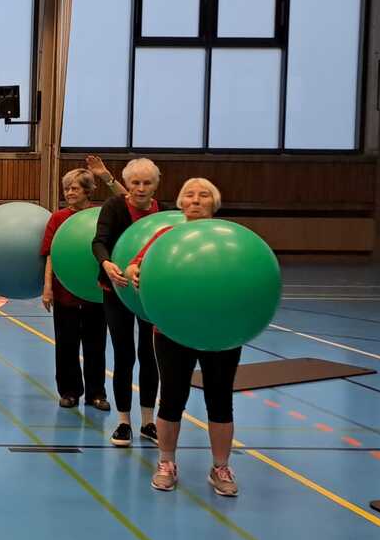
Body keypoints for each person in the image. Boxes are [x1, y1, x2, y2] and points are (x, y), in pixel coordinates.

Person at [123, 178, 241, 497]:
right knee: (172, 397)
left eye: (204, 195)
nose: (196, 200)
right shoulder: (165, 237)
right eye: (189, 195)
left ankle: (220, 467)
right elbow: (136, 265)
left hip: (222, 330)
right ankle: (166, 463)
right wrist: (134, 270)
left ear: (214, 203)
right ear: (180, 203)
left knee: (220, 399)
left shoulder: (230, 239)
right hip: (172, 329)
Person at [91, 157, 162, 447]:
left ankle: (148, 421)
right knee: (124, 355)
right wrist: (107, 264)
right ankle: (123, 422)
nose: (141, 188)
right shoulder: (114, 206)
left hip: (148, 294)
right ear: (128, 184)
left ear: (156, 185)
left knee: (150, 355)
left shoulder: (162, 214)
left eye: (147, 183)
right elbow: (99, 241)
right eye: (135, 182)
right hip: (116, 289)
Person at [41, 168, 109, 410]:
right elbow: (50, 254)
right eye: (67, 188)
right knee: (66, 345)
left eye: (74, 188)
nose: (69, 192)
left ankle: (96, 394)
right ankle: (69, 392)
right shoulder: (57, 218)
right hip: (65, 294)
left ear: (88, 191)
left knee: (96, 346)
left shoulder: (99, 216)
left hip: (95, 295)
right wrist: (47, 288)